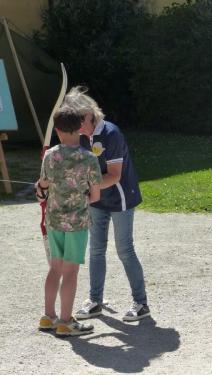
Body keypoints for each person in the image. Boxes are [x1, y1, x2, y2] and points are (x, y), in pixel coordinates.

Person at [64, 86, 150, 322]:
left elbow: (114, 175)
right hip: (97, 199)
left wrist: (85, 187)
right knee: (96, 249)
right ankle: (95, 301)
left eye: (77, 119)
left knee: (124, 249)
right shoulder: (80, 135)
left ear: (89, 114)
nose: (75, 125)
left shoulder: (111, 133)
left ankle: (141, 303)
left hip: (121, 197)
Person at [37, 106, 102, 336]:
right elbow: (95, 195)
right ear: (80, 128)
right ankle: (65, 321)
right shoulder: (89, 158)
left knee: (55, 267)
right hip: (76, 223)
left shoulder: (50, 154)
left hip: (53, 219)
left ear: (57, 130)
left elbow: (43, 185)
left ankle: (48, 317)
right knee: (71, 271)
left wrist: (43, 190)